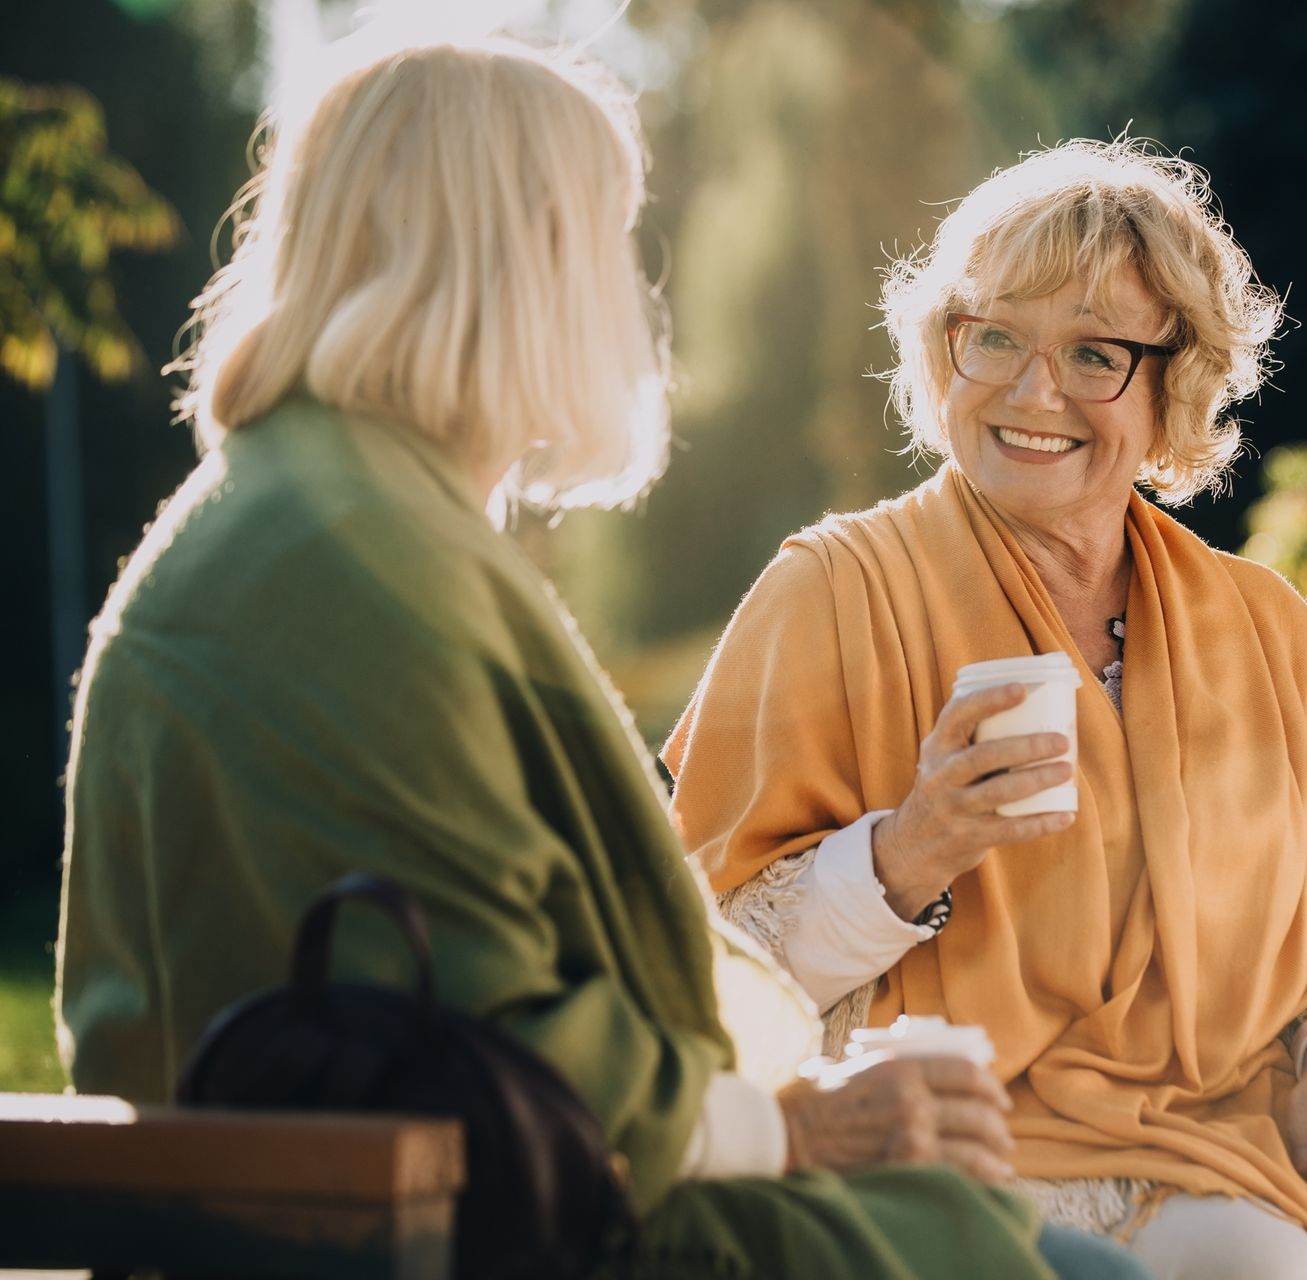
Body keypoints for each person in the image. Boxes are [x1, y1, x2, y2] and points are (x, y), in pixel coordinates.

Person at [53, 34, 1146, 1280]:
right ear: (526, 264)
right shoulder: (357, 564)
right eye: (611, 237)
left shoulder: (318, 513)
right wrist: (796, 1121)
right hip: (504, 1231)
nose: (631, 290)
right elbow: (489, 1020)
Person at [665, 140, 1307, 1279]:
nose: (1030, 391)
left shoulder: (1262, 620)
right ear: (940, 349)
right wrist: (907, 852)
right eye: (993, 335)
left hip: (1236, 1133)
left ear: (1175, 386)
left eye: (1093, 354)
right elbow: (702, 973)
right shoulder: (828, 592)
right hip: (946, 1148)